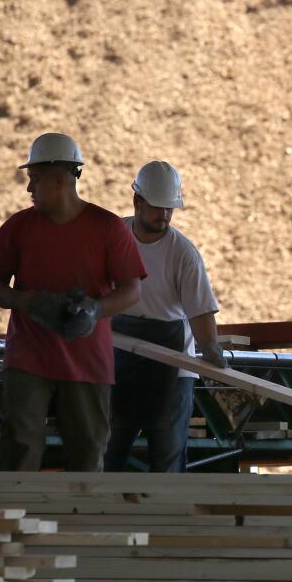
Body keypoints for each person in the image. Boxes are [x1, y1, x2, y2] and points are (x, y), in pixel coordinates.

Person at [0, 132, 146, 471]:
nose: (29, 189)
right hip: (28, 357)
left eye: (34, 179)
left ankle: (83, 522)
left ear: (59, 180)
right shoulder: (19, 227)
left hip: (87, 359)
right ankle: (13, 520)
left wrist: (94, 310)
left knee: (87, 450)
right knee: (19, 446)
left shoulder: (108, 228)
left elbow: (132, 289)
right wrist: (29, 302)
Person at [103, 160, 225, 473]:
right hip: (119, 353)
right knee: (107, 449)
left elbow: (200, 311)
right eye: (158, 207)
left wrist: (211, 349)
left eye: (170, 208)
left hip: (172, 362)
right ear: (137, 202)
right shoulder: (112, 237)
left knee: (168, 455)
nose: (165, 215)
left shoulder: (183, 253)